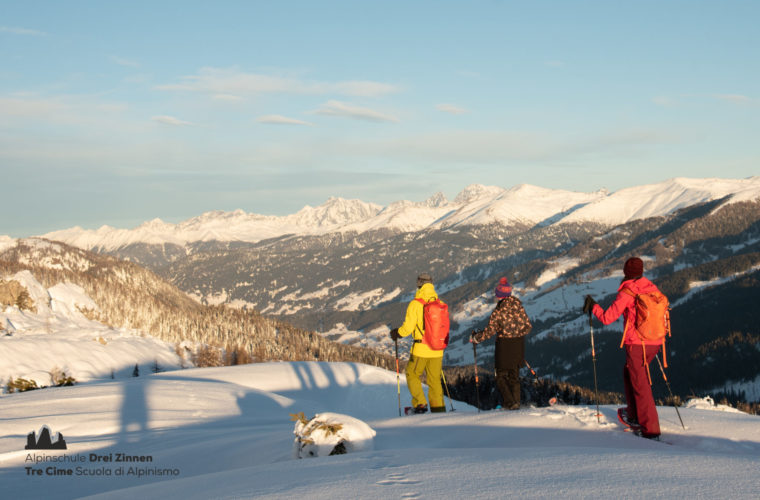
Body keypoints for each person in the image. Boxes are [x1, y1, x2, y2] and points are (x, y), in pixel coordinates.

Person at [583, 257, 661, 440]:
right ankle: (634, 415)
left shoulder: (628, 292)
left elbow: (607, 317)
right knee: (630, 373)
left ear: (626, 272)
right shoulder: (651, 287)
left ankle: (650, 430)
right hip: (655, 342)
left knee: (641, 385)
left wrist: (593, 306)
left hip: (636, 344)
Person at [470, 277, 532, 410]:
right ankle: (516, 402)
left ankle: (510, 403)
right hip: (518, 345)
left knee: (500, 376)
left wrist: (476, 338)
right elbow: (528, 327)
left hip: (504, 346)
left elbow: (489, 331)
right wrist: (515, 332)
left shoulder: (499, 311)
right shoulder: (519, 307)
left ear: (500, 295)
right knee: (514, 376)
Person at [390, 273, 446, 414]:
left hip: (421, 348)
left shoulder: (416, 304)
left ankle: (420, 404)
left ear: (419, 284)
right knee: (434, 381)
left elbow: (407, 329)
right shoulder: (440, 303)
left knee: (412, 374)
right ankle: (438, 408)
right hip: (437, 349)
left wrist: (397, 333)